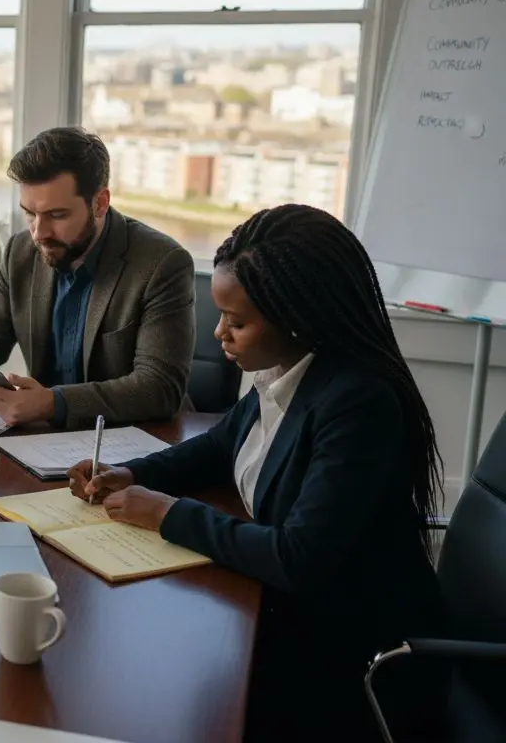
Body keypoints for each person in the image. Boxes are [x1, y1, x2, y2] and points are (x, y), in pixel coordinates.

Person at [67, 204, 445, 741]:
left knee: (155, 694)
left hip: (351, 652)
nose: (218, 332)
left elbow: (299, 557)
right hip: (287, 612)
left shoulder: (358, 403)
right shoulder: (285, 368)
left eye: (237, 321)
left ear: (297, 316)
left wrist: (168, 514)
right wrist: (130, 473)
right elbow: (219, 446)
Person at [0, 126, 195, 429]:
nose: (38, 233)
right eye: (30, 213)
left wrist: (53, 403)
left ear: (100, 203)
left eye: (57, 215)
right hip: (42, 439)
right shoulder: (20, 251)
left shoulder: (162, 264)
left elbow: (159, 387)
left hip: (133, 439)